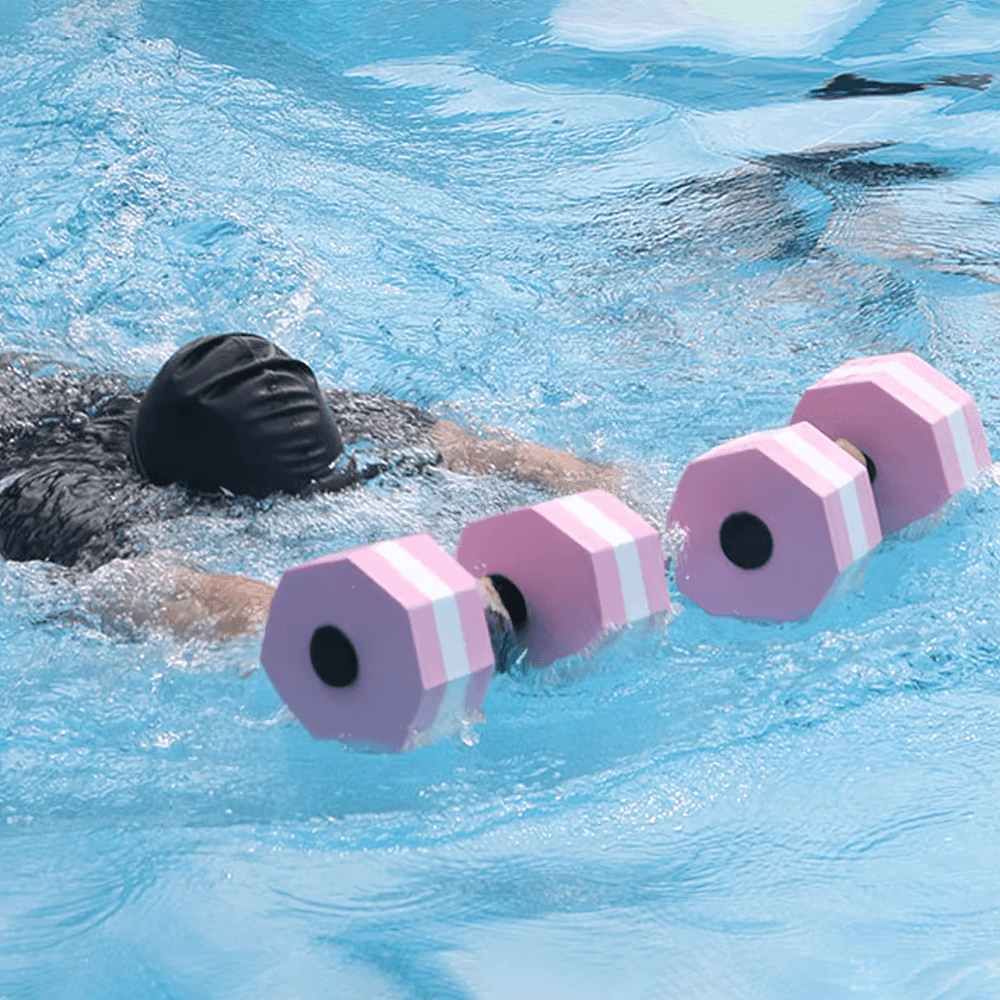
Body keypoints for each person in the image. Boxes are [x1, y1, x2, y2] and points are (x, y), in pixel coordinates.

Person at [0, 333, 620, 647]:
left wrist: (627, 508)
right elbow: (177, 594)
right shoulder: (54, 498)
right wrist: (392, 627)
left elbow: (497, 454)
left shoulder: (318, 410)